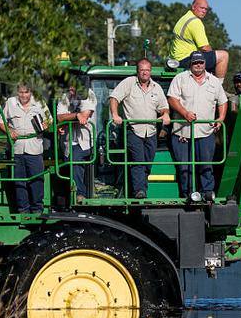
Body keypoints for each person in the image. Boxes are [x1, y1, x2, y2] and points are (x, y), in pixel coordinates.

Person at [167, 51, 228, 201]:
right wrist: (184, 113)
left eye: (201, 62)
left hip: (205, 133)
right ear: (191, 64)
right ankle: (188, 195)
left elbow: (223, 101)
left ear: (205, 64)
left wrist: (220, 119)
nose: (198, 65)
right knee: (185, 169)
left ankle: (207, 193)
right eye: (195, 63)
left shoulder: (214, 81)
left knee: (206, 166)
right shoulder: (179, 78)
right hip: (183, 133)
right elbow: (171, 99)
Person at [110, 58, 171, 199]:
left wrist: (166, 114)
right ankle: (139, 191)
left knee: (148, 162)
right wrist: (115, 114)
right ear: (138, 71)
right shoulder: (129, 83)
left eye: (147, 70)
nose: (145, 73)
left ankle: (139, 188)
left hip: (151, 131)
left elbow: (164, 107)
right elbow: (114, 98)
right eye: (142, 70)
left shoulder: (156, 87)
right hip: (133, 130)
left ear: (151, 71)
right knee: (138, 160)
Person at [0, 83, 50, 213]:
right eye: (21, 93)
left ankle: (37, 210)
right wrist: (9, 131)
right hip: (17, 149)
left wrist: (45, 124)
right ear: (17, 92)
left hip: (35, 147)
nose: (24, 95)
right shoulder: (10, 103)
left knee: (37, 180)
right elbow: (0, 121)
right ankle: (23, 211)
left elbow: (50, 119)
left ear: (31, 92)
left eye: (26, 92)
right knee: (19, 182)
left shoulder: (40, 102)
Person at [56, 80, 98, 204]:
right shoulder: (65, 96)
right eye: (70, 87)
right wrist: (76, 116)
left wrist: (72, 117)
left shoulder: (89, 95)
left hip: (85, 141)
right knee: (70, 164)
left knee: (74, 159)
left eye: (74, 88)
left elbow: (84, 116)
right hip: (68, 142)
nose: (71, 90)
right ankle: (68, 197)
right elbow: (59, 117)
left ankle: (80, 194)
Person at [170, 0, 229, 81]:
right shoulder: (195, 22)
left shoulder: (183, 18)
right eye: (201, 8)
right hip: (186, 60)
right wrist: (213, 60)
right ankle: (218, 88)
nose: (204, 11)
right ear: (193, 7)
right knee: (223, 56)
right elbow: (205, 48)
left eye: (206, 9)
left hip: (176, 61)